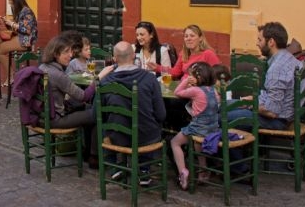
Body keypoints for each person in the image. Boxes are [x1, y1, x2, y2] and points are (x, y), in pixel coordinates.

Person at [38, 33, 114, 167]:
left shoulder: (43, 67)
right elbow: (83, 96)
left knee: (88, 109)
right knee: (97, 113)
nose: (71, 55)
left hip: (43, 116)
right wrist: (99, 77)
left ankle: (87, 153)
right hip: (56, 119)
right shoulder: (58, 74)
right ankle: (94, 157)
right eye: (66, 52)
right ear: (56, 54)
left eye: (70, 51)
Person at [99, 40, 166, 182]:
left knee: (104, 127)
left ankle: (114, 166)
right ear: (134, 57)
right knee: (150, 123)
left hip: (117, 137)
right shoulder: (149, 78)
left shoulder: (105, 81)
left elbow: (96, 114)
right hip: (145, 137)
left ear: (114, 58)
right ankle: (144, 168)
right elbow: (161, 114)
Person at [228, 22, 303, 131]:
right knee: (223, 106)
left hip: (278, 120)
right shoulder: (289, 58)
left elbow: (271, 112)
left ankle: (236, 147)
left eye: (260, 40)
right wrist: (254, 99)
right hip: (283, 114)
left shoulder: (277, 68)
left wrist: (250, 104)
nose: (257, 44)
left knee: (220, 117)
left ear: (271, 42)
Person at [170, 62, 221, 190]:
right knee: (198, 145)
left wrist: (186, 81)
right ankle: (203, 172)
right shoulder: (213, 90)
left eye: (190, 76)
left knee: (175, 142)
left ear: (197, 77)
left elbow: (177, 92)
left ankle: (183, 172)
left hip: (198, 128)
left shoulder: (195, 90)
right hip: (213, 128)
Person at [0, 0, 38, 85]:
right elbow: (16, 27)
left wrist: (12, 23)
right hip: (19, 37)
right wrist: (7, 22)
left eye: (12, 4)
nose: (11, 6)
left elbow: (27, 30)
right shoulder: (20, 11)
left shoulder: (26, 11)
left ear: (17, 2)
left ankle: (11, 75)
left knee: (0, 51)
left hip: (26, 40)